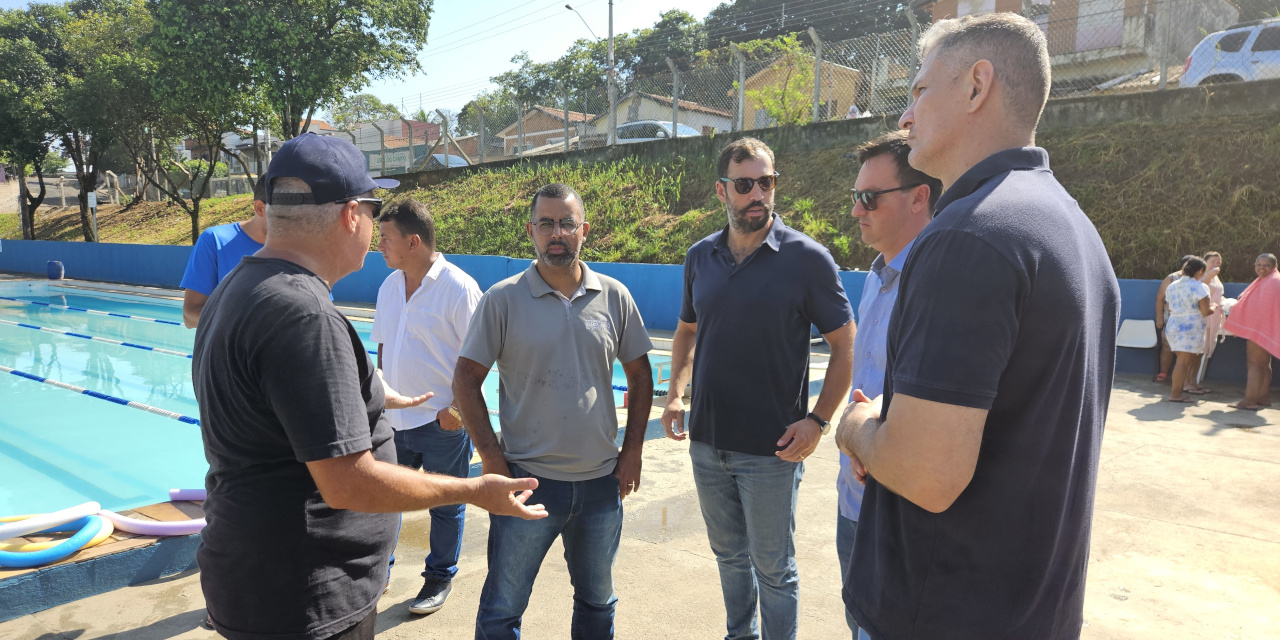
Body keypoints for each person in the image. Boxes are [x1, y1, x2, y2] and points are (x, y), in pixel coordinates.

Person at [191, 133, 547, 640]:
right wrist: (474, 490)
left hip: (257, 580)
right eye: (373, 215)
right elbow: (348, 483)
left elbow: (276, 404)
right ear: (349, 215)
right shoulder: (305, 316)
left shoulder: (237, 289)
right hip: (307, 598)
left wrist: (377, 394)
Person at [835, 13, 1120, 640]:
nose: (905, 116)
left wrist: (858, 428)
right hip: (1030, 610)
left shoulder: (968, 233)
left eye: (917, 91)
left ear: (975, 86)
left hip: (943, 613)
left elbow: (927, 474)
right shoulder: (1072, 227)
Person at [661, 137, 856, 640]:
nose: (757, 195)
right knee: (728, 555)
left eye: (765, 183)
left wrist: (818, 422)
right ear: (721, 191)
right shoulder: (699, 257)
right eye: (744, 184)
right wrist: (675, 393)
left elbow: (845, 345)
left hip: (773, 451)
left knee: (774, 568)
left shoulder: (808, 259)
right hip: (707, 443)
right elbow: (686, 330)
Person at [453, 183, 654, 640]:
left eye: (566, 223)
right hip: (527, 482)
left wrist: (633, 451)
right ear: (531, 231)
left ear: (584, 229)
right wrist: (492, 460)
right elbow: (465, 379)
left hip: (601, 485)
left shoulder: (614, 297)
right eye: (546, 224)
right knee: (502, 609)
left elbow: (642, 377)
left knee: (597, 604)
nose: (556, 233)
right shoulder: (502, 300)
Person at [838, 130, 942, 639]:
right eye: (855, 197)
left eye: (869, 198)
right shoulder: (875, 277)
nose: (857, 210)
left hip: (899, 512)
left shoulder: (941, 281)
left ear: (919, 197)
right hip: (854, 502)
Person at [371, 198, 483, 615]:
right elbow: (382, 350)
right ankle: (379, 572)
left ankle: (438, 579)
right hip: (393, 420)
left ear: (413, 241)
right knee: (383, 502)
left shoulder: (459, 288)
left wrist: (455, 412)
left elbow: (482, 357)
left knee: (445, 506)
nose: (378, 245)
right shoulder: (388, 286)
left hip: (441, 423)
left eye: (386, 238)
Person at [180, 179, 268, 328]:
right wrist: (248, 328)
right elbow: (190, 315)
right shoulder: (216, 241)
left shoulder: (304, 246)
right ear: (260, 208)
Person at [1224, 253, 1279, 410]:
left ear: (1274, 266)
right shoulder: (1270, 280)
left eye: (1266, 265)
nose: (1261, 268)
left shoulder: (1273, 282)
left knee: (1254, 364)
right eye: (1258, 264)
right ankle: (1263, 397)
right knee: (1263, 364)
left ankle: (1249, 401)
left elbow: (1264, 310)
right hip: (1264, 329)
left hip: (1260, 329)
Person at [1164, 257, 1215, 403]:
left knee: (1181, 360)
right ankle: (1175, 394)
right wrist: (1215, 307)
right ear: (1200, 271)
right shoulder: (1200, 287)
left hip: (1174, 325)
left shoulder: (1172, 286)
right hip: (1190, 328)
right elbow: (1205, 311)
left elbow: (1168, 307)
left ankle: (1178, 391)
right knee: (1182, 362)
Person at [1154, 254, 1197, 382]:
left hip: (1190, 321)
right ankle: (1163, 373)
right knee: (1167, 346)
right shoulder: (1172, 278)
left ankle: (1184, 379)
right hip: (1171, 320)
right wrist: (1159, 318)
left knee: (1187, 350)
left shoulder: (1197, 279)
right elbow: (1160, 298)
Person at [1193, 251, 1226, 389]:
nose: (1216, 265)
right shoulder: (1200, 275)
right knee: (1196, 351)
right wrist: (1209, 275)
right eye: (1212, 261)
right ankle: (1188, 383)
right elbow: (1199, 289)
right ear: (1205, 261)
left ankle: (1192, 382)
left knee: (1203, 351)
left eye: (1218, 263)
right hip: (1203, 316)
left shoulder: (1216, 278)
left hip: (1214, 316)